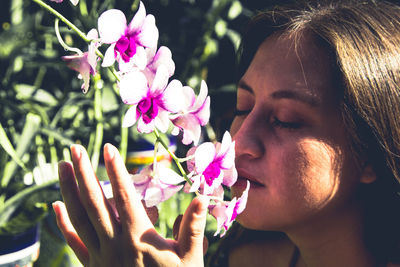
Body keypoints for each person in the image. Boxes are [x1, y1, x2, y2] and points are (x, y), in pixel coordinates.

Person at [53, 0, 400, 266]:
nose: (238, 142)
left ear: (370, 151)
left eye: (287, 119)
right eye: (242, 108)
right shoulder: (244, 257)